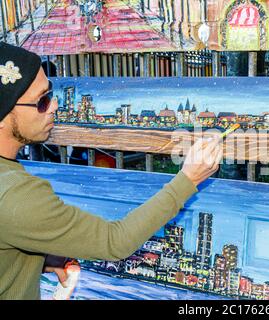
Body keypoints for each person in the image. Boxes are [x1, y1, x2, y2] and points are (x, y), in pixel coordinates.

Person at [0, 42, 222, 300]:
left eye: (52, 94)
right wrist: (188, 179)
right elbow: (115, 241)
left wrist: (35, 259)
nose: (55, 106)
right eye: (42, 102)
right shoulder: (17, 195)